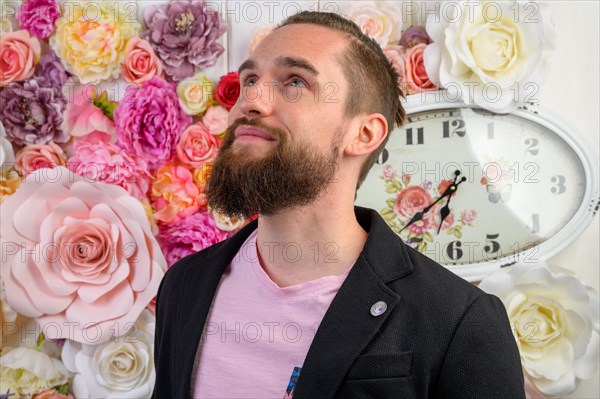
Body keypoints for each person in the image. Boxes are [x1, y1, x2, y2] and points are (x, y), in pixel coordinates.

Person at [152, 11, 525, 399]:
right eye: (250, 80)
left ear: (363, 133)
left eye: (295, 81)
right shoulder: (184, 285)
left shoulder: (458, 323)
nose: (252, 101)